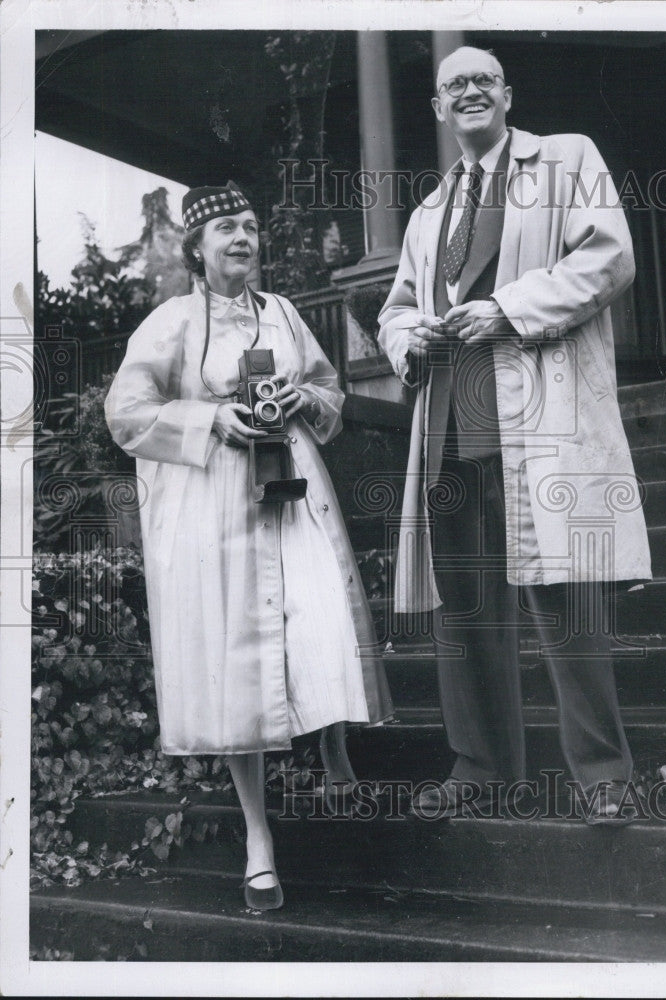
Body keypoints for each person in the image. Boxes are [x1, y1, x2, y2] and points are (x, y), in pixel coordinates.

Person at [378, 47, 651, 823]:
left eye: (482, 80)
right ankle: (481, 765)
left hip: (539, 414)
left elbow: (610, 254)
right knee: (464, 604)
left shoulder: (565, 161)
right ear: (438, 109)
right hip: (449, 426)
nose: (469, 91)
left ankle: (602, 775)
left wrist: (510, 308)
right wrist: (409, 341)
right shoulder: (431, 212)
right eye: (453, 84)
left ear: (506, 96)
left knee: (568, 594)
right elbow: (395, 307)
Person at [105, 182, 392, 910]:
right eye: (227, 228)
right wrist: (210, 420)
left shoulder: (285, 314)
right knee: (238, 658)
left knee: (321, 618)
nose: (243, 238)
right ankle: (259, 838)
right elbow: (127, 413)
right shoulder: (172, 322)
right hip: (220, 507)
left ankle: (333, 744)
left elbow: (328, 388)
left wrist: (307, 401)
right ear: (197, 248)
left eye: (252, 226)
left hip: (297, 495)